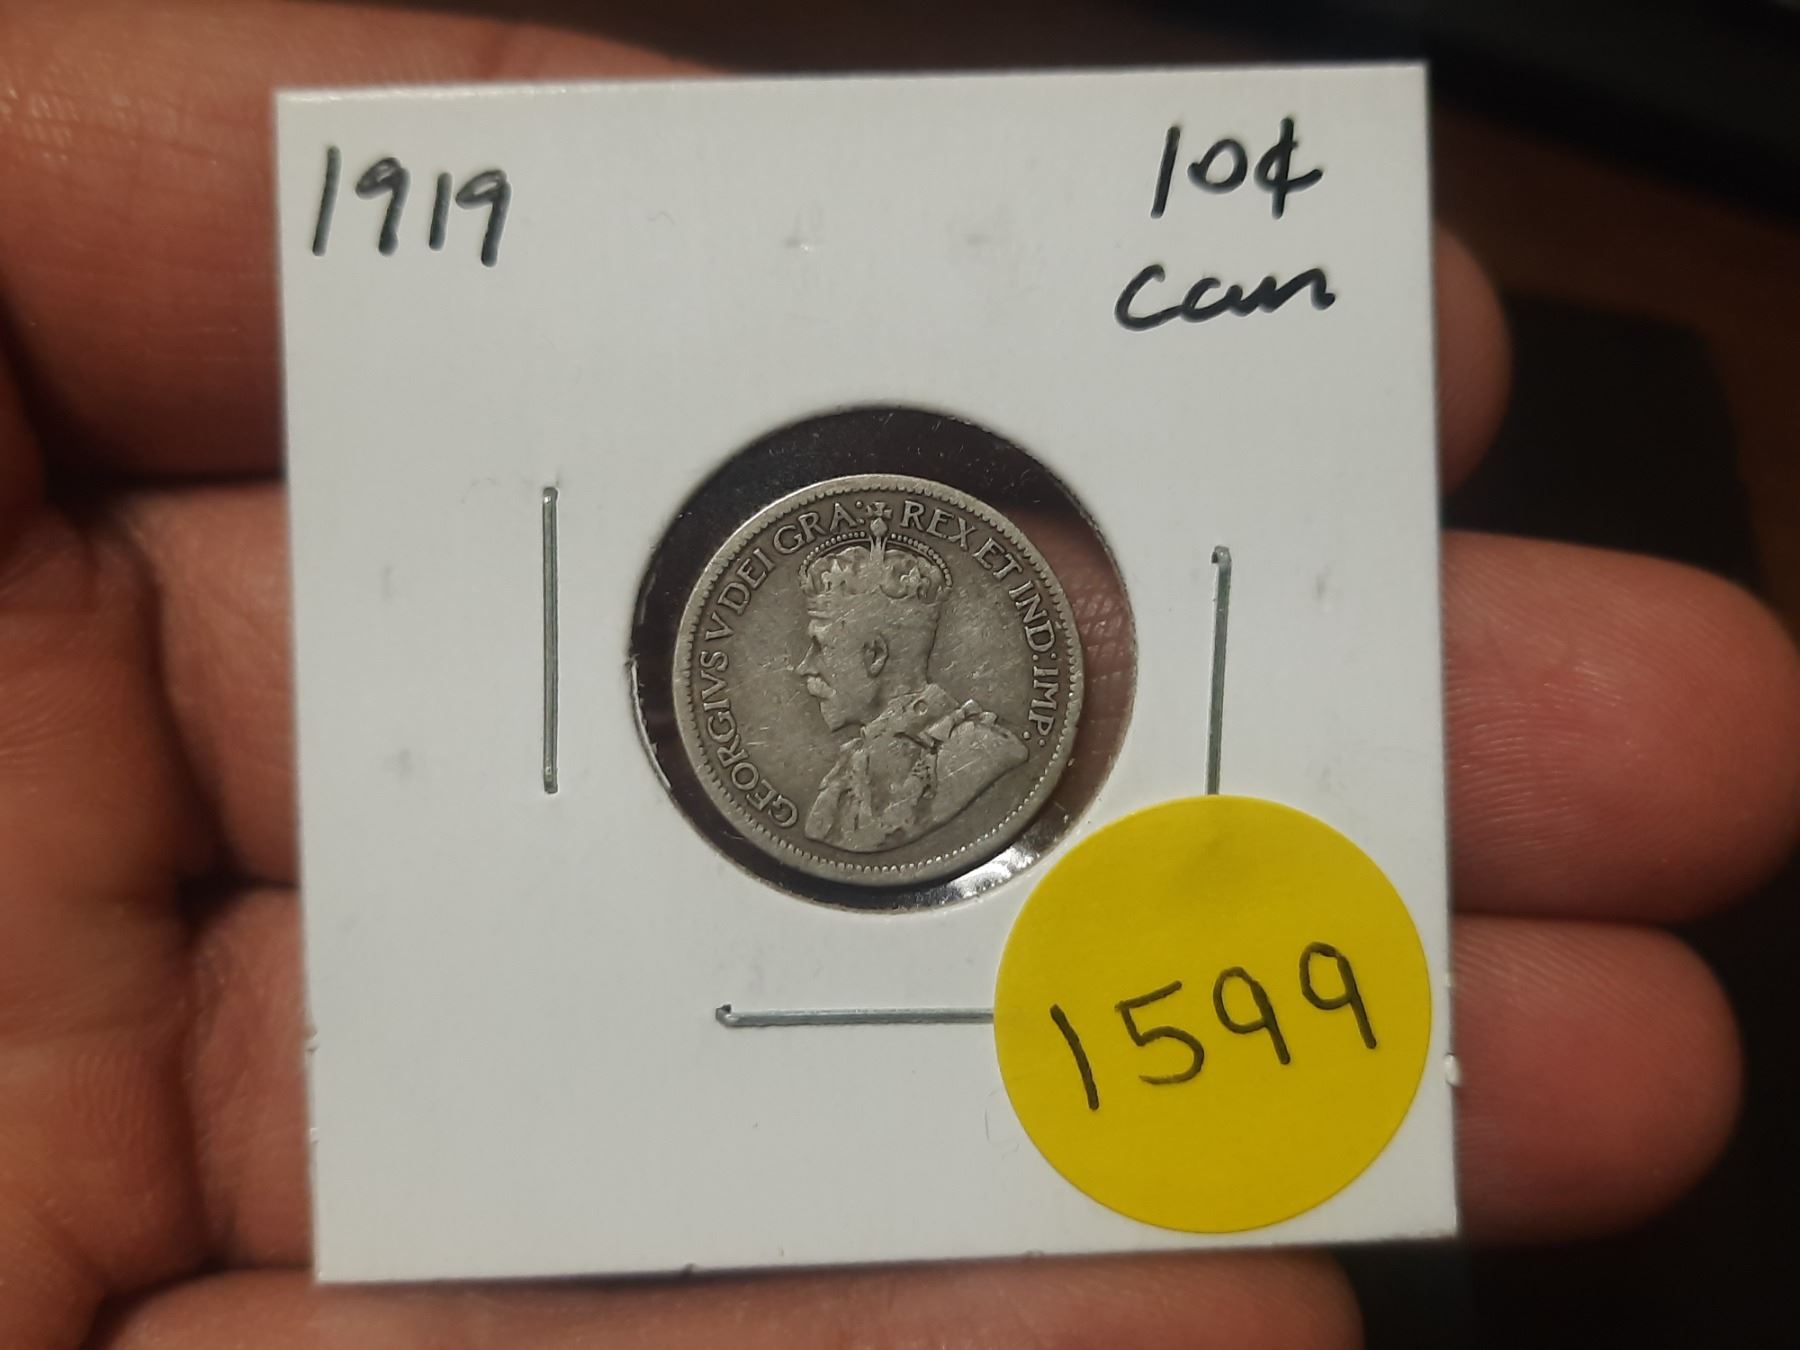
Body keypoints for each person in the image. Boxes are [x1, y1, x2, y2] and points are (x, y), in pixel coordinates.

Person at [0, 3, 1795, 1346]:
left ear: (894, 647)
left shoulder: (975, 748)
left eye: (835, 640)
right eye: (811, 637)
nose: (808, 654)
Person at [798, 520, 1027, 851]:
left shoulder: (983, 752)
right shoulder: (851, 767)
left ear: (874, 655)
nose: (805, 667)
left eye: (821, 647)